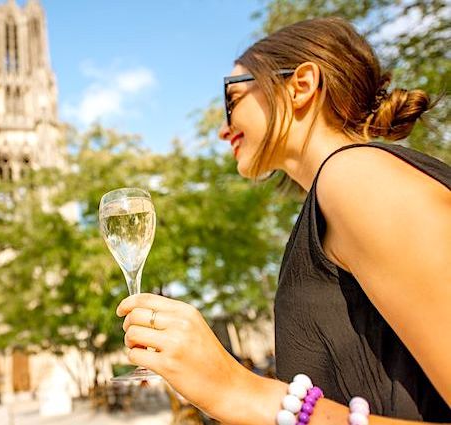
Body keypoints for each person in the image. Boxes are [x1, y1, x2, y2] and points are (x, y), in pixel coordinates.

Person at [116, 17, 450, 425]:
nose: (223, 130)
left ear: (301, 85)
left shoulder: (355, 179)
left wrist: (239, 390)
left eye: (232, 99)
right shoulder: (341, 191)